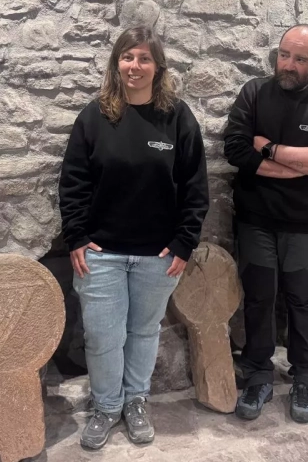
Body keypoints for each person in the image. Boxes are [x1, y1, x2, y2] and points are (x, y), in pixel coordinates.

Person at [58, 26, 209, 450]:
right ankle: (107, 407)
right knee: (102, 337)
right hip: (101, 254)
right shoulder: (95, 116)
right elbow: (73, 183)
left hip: (157, 256)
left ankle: (136, 401)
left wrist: (184, 243)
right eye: (127, 57)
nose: (135, 66)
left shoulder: (177, 118)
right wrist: (76, 237)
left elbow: (195, 187)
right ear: (116, 64)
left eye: (144, 58)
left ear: (158, 67)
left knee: (143, 332)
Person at [223, 24, 308, 423]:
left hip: (304, 223)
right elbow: (236, 149)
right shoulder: (254, 92)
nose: (289, 65)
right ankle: (258, 375)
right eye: (284, 55)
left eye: (300, 59)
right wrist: (300, 165)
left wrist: (271, 149)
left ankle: (305, 379)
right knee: (259, 297)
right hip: (255, 219)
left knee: (302, 300)